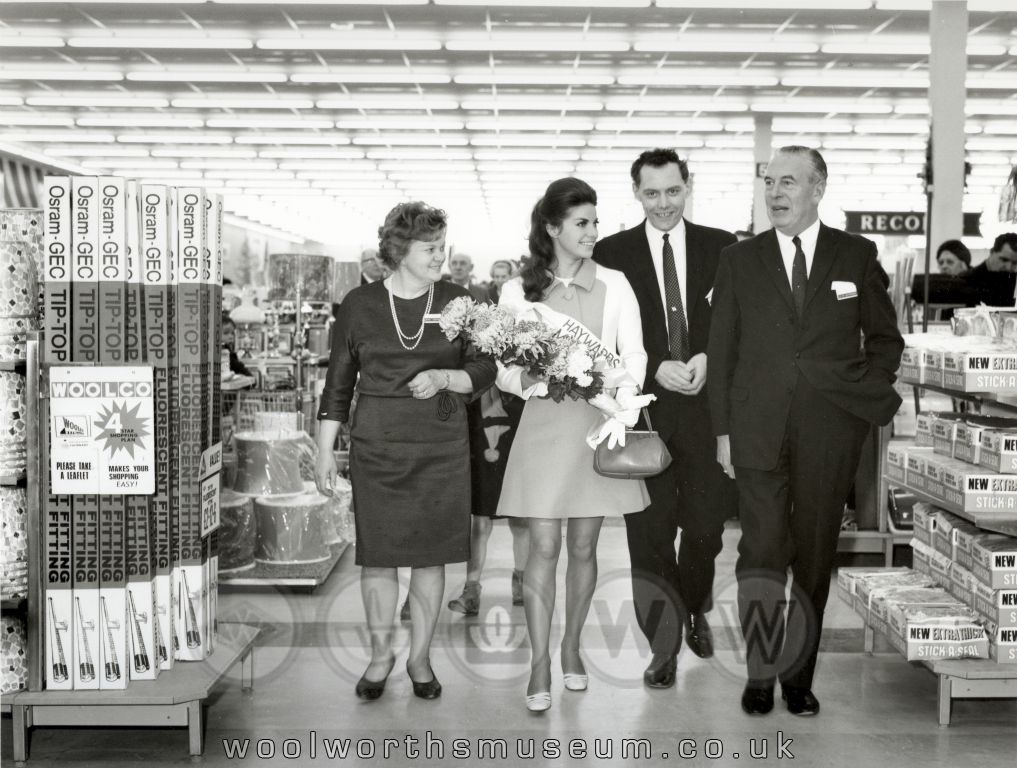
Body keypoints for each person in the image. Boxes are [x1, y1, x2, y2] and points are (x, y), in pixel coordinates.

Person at [707, 146, 904, 717]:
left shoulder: (855, 253)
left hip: (830, 431)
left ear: (818, 188)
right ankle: (760, 673)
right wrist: (723, 432)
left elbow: (885, 339)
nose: (776, 193)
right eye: (770, 181)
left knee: (815, 556)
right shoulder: (739, 259)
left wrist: (862, 397)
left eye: (789, 182)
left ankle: (799, 677)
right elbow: (722, 352)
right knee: (761, 553)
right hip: (756, 429)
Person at [315, 201, 497, 702]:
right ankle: (381, 655)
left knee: (430, 558)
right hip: (378, 446)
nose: (442, 255)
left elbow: (484, 369)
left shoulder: (462, 300)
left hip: (441, 446)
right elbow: (338, 384)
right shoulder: (359, 304)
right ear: (399, 250)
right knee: (378, 560)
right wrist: (325, 450)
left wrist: (444, 376)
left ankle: (420, 658)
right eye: (431, 248)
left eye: (444, 246)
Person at [496, 177, 649, 712]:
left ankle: (571, 648)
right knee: (543, 546)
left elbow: (633, 354)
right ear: (552, 228)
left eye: (594, 222)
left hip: (595, 428)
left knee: (584, 547)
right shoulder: (517, 292)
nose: (592, 232)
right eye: (581, 223)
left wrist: (621, 396)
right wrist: (533, 380)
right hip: (543, 429)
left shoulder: (617, 283)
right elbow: (504, 369)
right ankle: (538, 661)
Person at [592, 148, 739, 689]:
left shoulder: (723, 248)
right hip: (641, 420)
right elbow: (599, 338)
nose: (663, 203)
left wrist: (706, 357)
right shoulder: (610, 254)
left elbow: (734, 323)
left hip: (706, 417)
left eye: (672, 191)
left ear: (688, 186)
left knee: (705, 531)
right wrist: (653, 367)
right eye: (651, 193)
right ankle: (663, 646)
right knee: (648, 538)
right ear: (636, 193)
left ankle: (696, 603)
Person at [966, 232, 1017, 306]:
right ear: (992, 252)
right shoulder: (968, 279)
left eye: (1015, 263)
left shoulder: (1013, 279)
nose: (1009, 267)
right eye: (1004, 260)